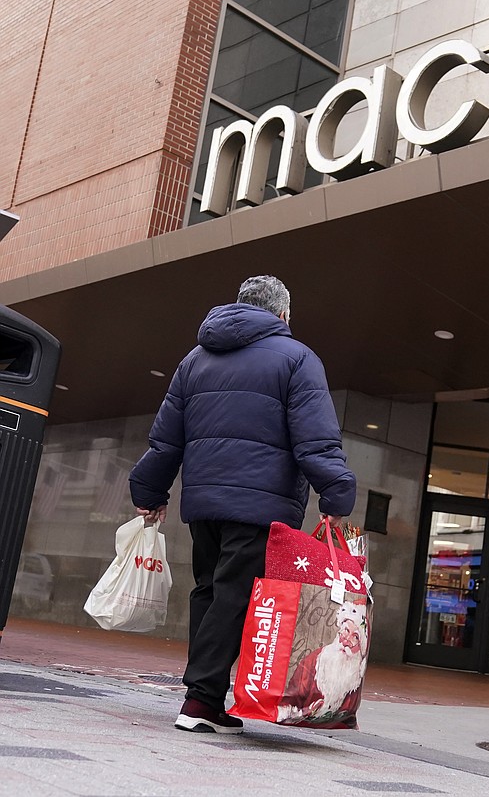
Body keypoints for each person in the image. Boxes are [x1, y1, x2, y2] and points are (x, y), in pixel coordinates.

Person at [129, 275, 356, 734]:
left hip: (205, 503)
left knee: (210, 592)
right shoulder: (298, 359)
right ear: (283, 314)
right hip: (260, 504)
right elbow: (315, 439)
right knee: (235, 597)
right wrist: (336, 492)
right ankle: (200, 700)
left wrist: (149, 492)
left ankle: (206, 698)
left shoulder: (195, 360)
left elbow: (166, 439)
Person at [278, 600, 369, 728]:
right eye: (346, 631)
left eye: (355, 637)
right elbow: (289, 701)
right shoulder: (315, 661)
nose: (347, 640)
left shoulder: (355, 676)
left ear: (361, 647)